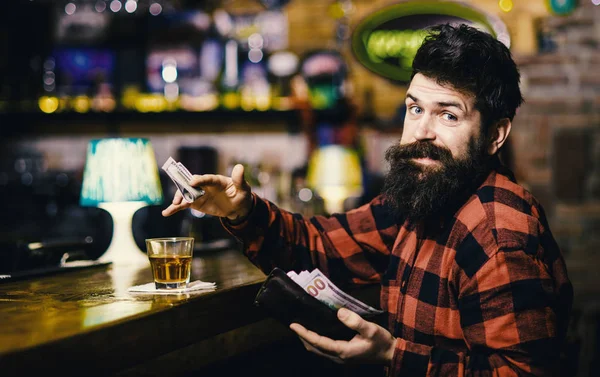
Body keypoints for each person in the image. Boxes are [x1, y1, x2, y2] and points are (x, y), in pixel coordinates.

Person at [162, 24, 573, 376]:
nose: (421, 132)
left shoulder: (497, 231)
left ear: (496, 135)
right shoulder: (423, 196)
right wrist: (242, 211)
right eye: (415, 109)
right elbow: (320, 245)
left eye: (448, 115)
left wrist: (394, 355)